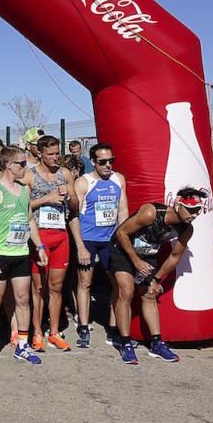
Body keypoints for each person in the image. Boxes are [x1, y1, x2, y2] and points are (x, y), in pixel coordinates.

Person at [108, 188, 206, 364]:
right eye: (190, 210)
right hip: (122, 249)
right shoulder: (151, 213)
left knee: (150, 294)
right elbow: (121, 233)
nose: (194, 215)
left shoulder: (187, 229)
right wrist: (136, 261)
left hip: (147, 255)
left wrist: (156, 279)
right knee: (127, 291)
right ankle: (124, 342)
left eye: (197, 210)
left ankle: (156, 343)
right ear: (177, 205)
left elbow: (175, 256)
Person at [0, 145, 47, 366]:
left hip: (21, 253)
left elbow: (30, 221)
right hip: (0, 253)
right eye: (21, 163)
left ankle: (23, 345)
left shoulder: (25, 190)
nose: (25, 167)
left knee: (23, 299)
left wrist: (39, 247)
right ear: (9, 165)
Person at [21, 135, 79, 352]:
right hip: (39, 236)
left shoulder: (65, 174)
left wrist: (69, 196)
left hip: (60, 235)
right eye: (51, 154)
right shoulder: (30, 175)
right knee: (38, 288)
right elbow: (22, 207)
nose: (55, 158)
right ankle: (37, 332)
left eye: (57, 153)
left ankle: (54, 331)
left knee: (56, 288)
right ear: (40, 153)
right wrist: (46, 199)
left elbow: (75, 207)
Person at [74, 143, 128, 348]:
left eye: (111, 161)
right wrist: (80, 246)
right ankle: (84, 326)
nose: (108, 165)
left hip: (111, 239)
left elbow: (123, 210)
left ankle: (113, 328)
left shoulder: (118, 179)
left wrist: (123, 238)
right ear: (93, 162)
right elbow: (75, 216)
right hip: (88, 238)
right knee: (85, 283)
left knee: (117, 283)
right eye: (103, 162)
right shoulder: (83, 182)